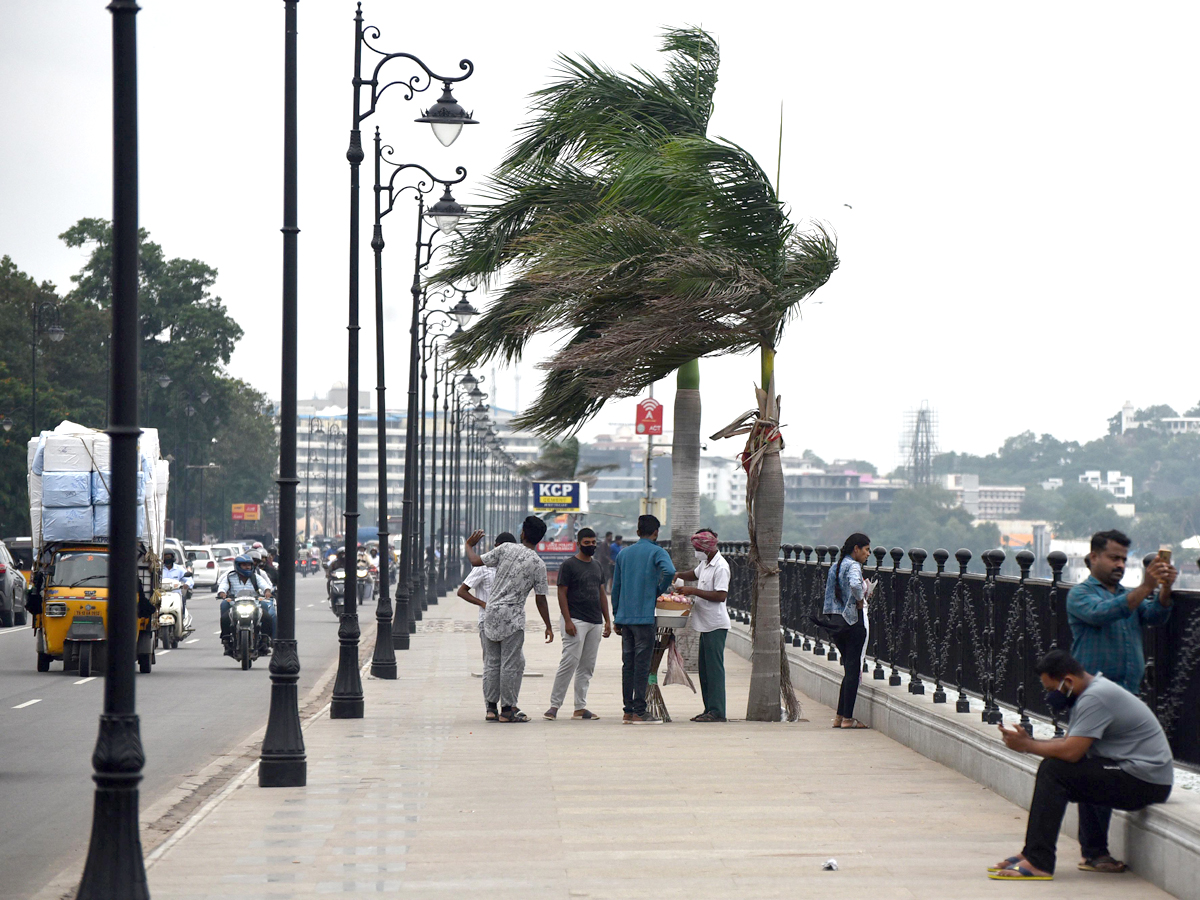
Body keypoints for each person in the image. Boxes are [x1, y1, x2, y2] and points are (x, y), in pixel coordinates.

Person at [990, 649, 1173, 881]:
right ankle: (1092, 855)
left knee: (1054, 770)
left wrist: (1027, 745)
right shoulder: (1089, 694)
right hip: (1137, 775)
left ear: (1067, 681)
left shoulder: (1095, 698)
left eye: (1050, 689)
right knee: (1083, 767)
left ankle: (1039, 861)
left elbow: (1071, 752)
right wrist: (1030, 742)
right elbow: (1071, 743)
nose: (1049, 696)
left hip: (1145, 780)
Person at [1066, 528, 1177, 871]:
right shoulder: (1081, 595)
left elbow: (1155, 615)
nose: (1119, 564)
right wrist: (1145, 587)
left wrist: (1165, 587)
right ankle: (1094, 851)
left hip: (1126, 699)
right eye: (1113, 557)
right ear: (1092, 558)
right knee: (1092, 766)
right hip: (1094, 700)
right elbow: (1104, 614)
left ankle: (1097, 849)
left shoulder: (1129, 595)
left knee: (1112, 766)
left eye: (1123, 559)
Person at [465, 516, 553, 723]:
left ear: (522, 533)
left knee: (491, 663)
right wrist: (548, 625)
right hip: (513, 618)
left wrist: (469, 545)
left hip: (491, 613)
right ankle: (507, 710)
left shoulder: (505, 549)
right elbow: (541, 600)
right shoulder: (538, 564)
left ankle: (490, 708)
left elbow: (475, 561)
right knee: (510, 665)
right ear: (539, 539)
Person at [611, 515, 676, 724]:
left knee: (627, 664)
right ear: (656, 532)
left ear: (638, 532)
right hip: (644, 617)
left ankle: (628, 711)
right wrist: (659, 589)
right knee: (642, 664)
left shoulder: (624, 554)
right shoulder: (658, 552)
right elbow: (670, 571)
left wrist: (616, 615)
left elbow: (616, 587)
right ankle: (640, 710)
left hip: (625, 617)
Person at [545, 528, 612, 721]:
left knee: (587, 666)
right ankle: (554, 706)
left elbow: (601, 594)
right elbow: (561, 593)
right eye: (587, 543)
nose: (591, 546)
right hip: (575, 620)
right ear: (578, 543)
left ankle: (580, 708)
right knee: (569, 662)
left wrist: (607, 620)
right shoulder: (569, 565)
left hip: (595, 621)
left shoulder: (597, 566)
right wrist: (567, 620)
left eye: (593, 543)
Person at [673, 528, 731, 722]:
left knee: (715, 670)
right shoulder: (705, 563)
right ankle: (709, 708)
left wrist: (692, 591)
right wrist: (678, 574)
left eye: (696, 548)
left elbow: (721, 595)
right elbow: (693, 574)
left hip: (715, 624)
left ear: (705, 548)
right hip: (704, 624)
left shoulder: (721, 567)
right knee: (705, 670)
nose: (695, 552)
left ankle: (718, 711)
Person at [458, 532, 517, 719]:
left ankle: (508, 705)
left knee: (512, 663)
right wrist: (483, 604)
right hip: (488, 621)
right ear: (496, 546)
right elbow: (462, 591)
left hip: (510, 621)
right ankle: (491, 707)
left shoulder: (514, 569)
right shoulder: (483, 567)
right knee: (492, 663)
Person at [823, 533, 872, 730]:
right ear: (856, 549)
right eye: (866, 549)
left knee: (848, 669)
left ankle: (839, 716)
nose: (868, 554)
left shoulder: (835, 566)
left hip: (836, 622)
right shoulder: (853, 565)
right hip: (852, 622)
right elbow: (854, 584)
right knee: (853, 670)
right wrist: (861, 598)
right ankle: (847, 719)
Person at [217, 554, 276, 643]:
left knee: (265, 611)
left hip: (254, 603)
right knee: (224, 606)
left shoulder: (255, 577)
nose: (247, 567)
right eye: (244, 565)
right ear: (238, 566)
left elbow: (264, 585)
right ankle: (226, 637)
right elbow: (223, 586)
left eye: (249, 565)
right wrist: (222, 593)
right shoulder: (230, 577)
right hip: (235, 603)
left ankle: (265, 637)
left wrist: (267, 591)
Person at [161, 550, 194, 618]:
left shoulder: (179, 569)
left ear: (173, 558)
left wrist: (187, 584)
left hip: (175, 595)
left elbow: (189, 579)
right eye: (165, 557)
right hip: (161, 594)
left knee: (182, 604)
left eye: (169, 557)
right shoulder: (159, 569)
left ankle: (182, 619)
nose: (167, 559)